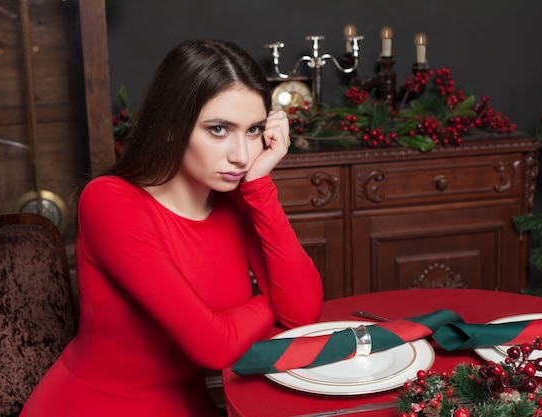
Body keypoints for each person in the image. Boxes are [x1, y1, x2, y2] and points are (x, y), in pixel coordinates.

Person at [20, 39, 324, 417]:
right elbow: (213, 347)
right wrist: (269, 303)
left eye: (253, 130)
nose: (241, 156)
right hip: (99, 407)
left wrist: (260, 188)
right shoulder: (110, 202)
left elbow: (301, 311)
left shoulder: (235, 196)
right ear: (169, 128)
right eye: (218, 129)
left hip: (190, 403)